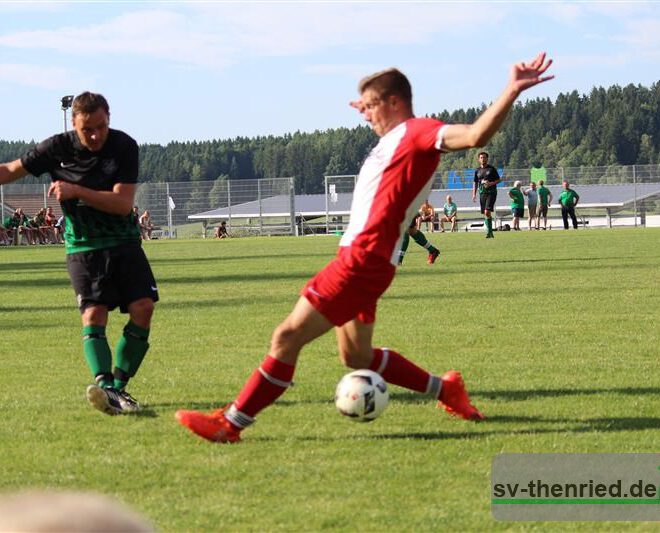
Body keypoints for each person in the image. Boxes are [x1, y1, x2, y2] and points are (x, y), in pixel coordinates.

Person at [176, 52, 553, 443]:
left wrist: (511, 90)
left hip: (363, 259)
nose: (365, 114)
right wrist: (368, 100)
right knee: (356, 358)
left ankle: (231, 424)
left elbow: (475, 136)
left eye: (371, 106)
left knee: (287, 337)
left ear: (394, 102)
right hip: (366, 258)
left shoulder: (420, 131)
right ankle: (446, 390)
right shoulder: (393, 139)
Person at [0, 91, 159, 415]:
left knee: (143, 308)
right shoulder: (55, 148)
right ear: (74, 124)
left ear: (108, 118)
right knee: (94, 314)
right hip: (83, 246)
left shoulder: (124, 146)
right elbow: (9, 169)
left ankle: (117, 386)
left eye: (101, 126)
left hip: (124, 240)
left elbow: (122, 204)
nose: (96, 135)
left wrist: (75, 190)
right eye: (88, 129)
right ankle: (107, 389)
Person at [472, 151, 500, 238]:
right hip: (482, 193)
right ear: (479, 159)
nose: (483, 159)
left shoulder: (491, 169)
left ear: (487, 159)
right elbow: (475, 183)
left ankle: (489, 232)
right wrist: (474, 194)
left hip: (491, 193)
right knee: (485, 213)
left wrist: (490, 183)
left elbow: (499, 180)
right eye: (481, 157)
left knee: (487, 212)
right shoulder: (477, 170)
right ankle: (490, 232)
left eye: (484, 157)